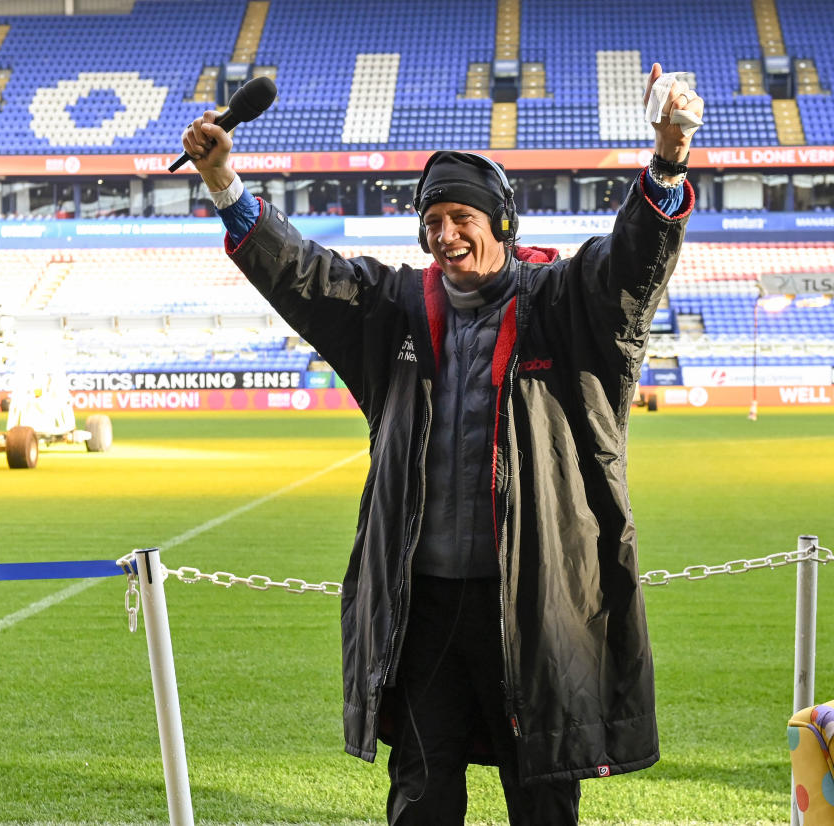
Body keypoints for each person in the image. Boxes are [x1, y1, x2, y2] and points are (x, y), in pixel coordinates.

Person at [182, 63, 703, 825]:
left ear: (499, 223)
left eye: (461, 216)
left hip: (534, 608)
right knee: (420, 798)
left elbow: (633, 265)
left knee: (543, 799)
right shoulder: (395, 308)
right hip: (423, 609)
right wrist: (225, 181)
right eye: (432, 220)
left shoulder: (562, 302)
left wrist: (667, 154)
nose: (445, 233)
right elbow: (302, 275)